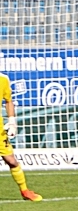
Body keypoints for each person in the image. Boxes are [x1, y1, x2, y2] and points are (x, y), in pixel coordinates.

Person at [1, 73, 42, 202]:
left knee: (11, 160)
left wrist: (12, 122)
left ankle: (25, 191)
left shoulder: (3, 79)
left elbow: (8, 101)